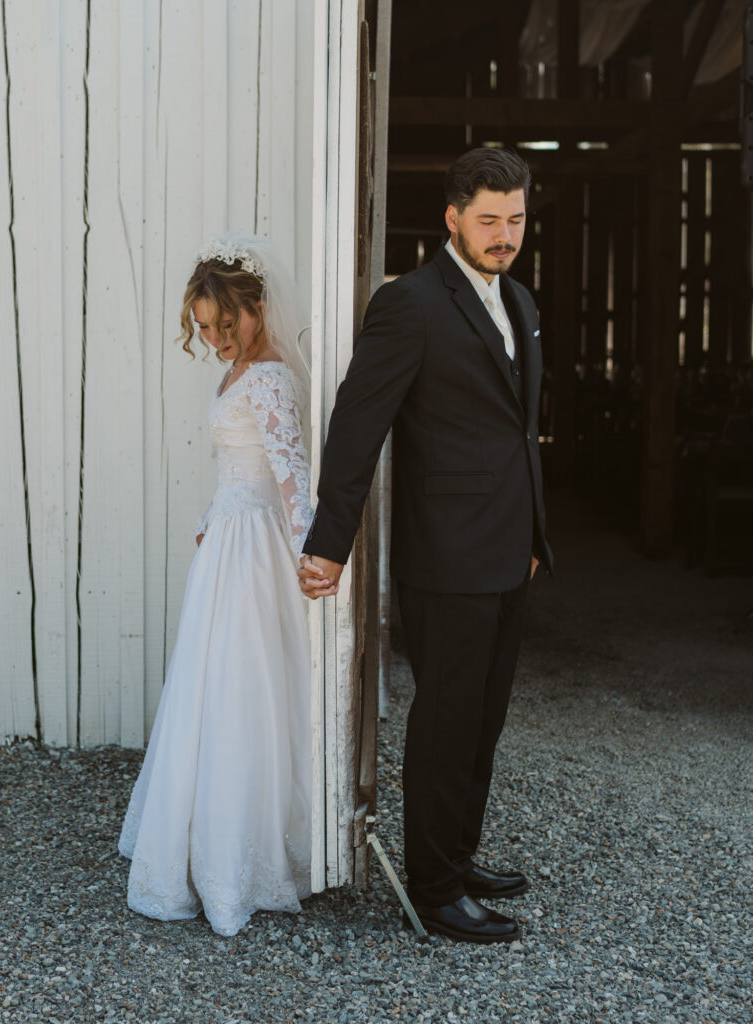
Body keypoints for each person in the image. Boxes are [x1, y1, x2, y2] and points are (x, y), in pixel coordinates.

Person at [298, 148, 553, 945]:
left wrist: (535, 533)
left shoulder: (518, 298)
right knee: (445, 721)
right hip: (445, 552)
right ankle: (435, 891)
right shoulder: (408, 303)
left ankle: (457, 856)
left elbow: (517, 430)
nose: (504, 235)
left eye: (515, 219)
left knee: (484, 718)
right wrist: (329, 542)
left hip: (509, 548)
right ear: (452, 218)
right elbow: (358, 423)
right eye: (488, 220)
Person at [119, 233, 314, 937]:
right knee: (212, 683)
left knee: (244, 684)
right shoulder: (236, 372)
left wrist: (313, 558)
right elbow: (240, 465)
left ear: (258, 307)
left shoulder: (269, 378)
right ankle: (205, 837)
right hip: (228, 539)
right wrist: (212, 514)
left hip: (257, 553)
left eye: (226, 324)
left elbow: (292, 480)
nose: (215, 338)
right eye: (204, 327)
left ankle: (248, 852)